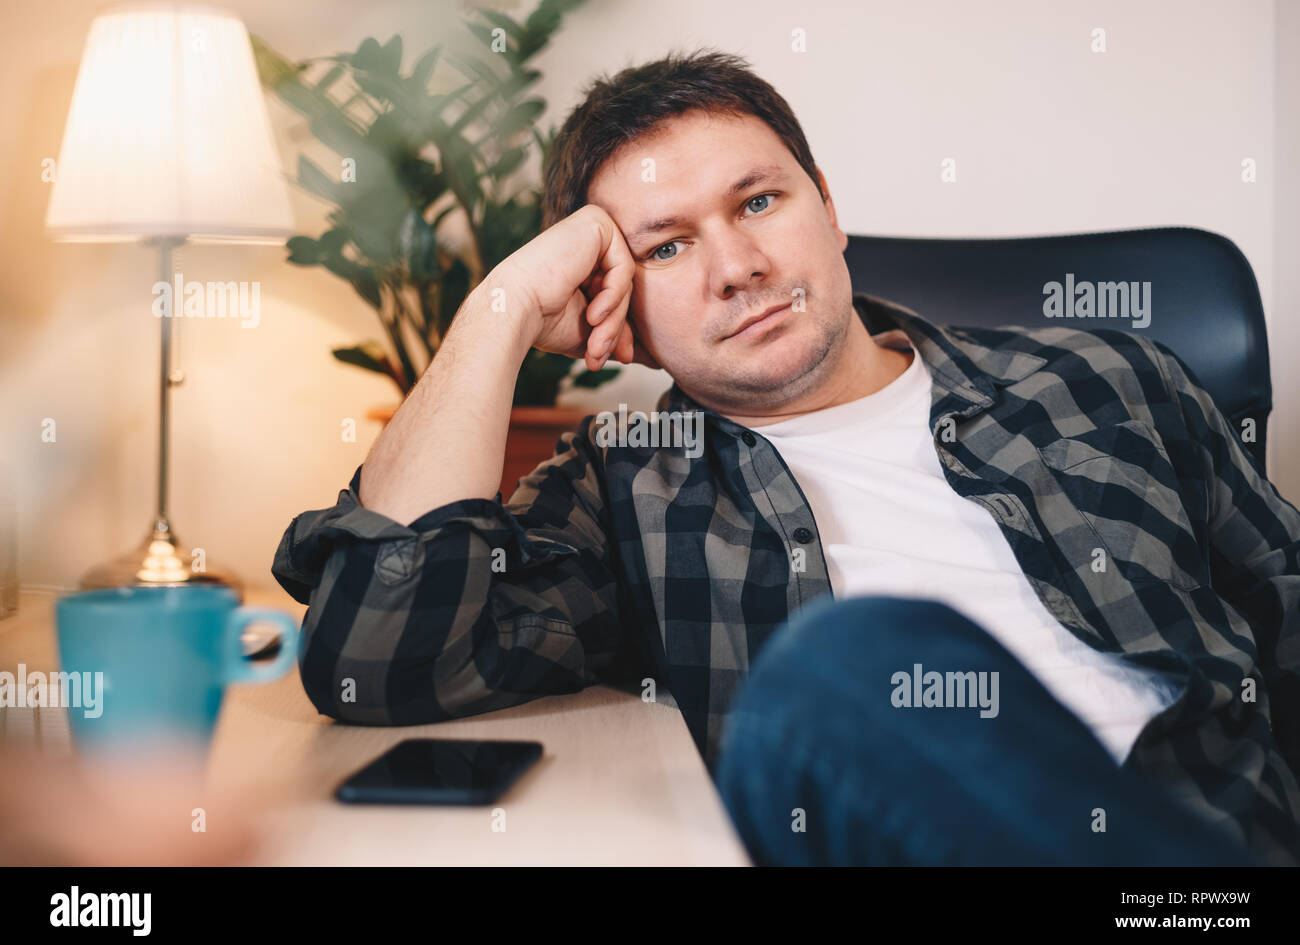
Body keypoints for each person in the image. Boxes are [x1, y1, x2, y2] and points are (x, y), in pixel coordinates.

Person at [271, 50, 1300, 865]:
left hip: (1216, 855)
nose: (738, 267)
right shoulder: (626, 484)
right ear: (608, 306)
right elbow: (378, 658)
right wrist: (497, 307)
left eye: (758, 201)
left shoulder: (1104, 375)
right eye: (665, 246)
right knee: (845, 671)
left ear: (828, 209)